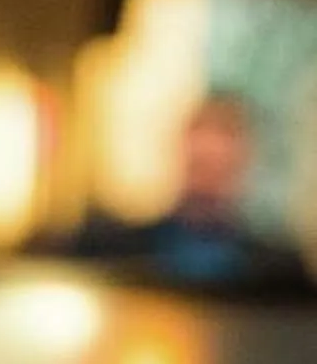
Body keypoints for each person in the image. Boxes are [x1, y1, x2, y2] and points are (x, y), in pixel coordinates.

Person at [49, 92, 311, 294]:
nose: (208, 179)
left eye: (219, 167)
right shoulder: (109, 248)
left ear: (245, 161)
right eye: (199, 166)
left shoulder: (283, 273)